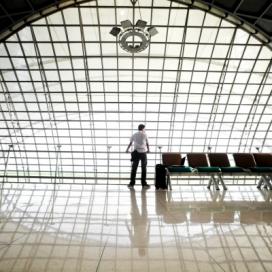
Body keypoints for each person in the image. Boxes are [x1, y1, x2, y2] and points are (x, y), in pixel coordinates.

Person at [126, 124, 150, 189]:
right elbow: (147, 143)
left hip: (136, 153)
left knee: (134, 168)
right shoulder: (145, 135)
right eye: (144, 129)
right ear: (142, 128)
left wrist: (127, 149)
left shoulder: (134, 134)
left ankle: (132, 183)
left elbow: (130, 143)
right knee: (144, 169)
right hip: (143, 153)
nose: (145, 130)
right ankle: (144, 184)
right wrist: (148, 150)